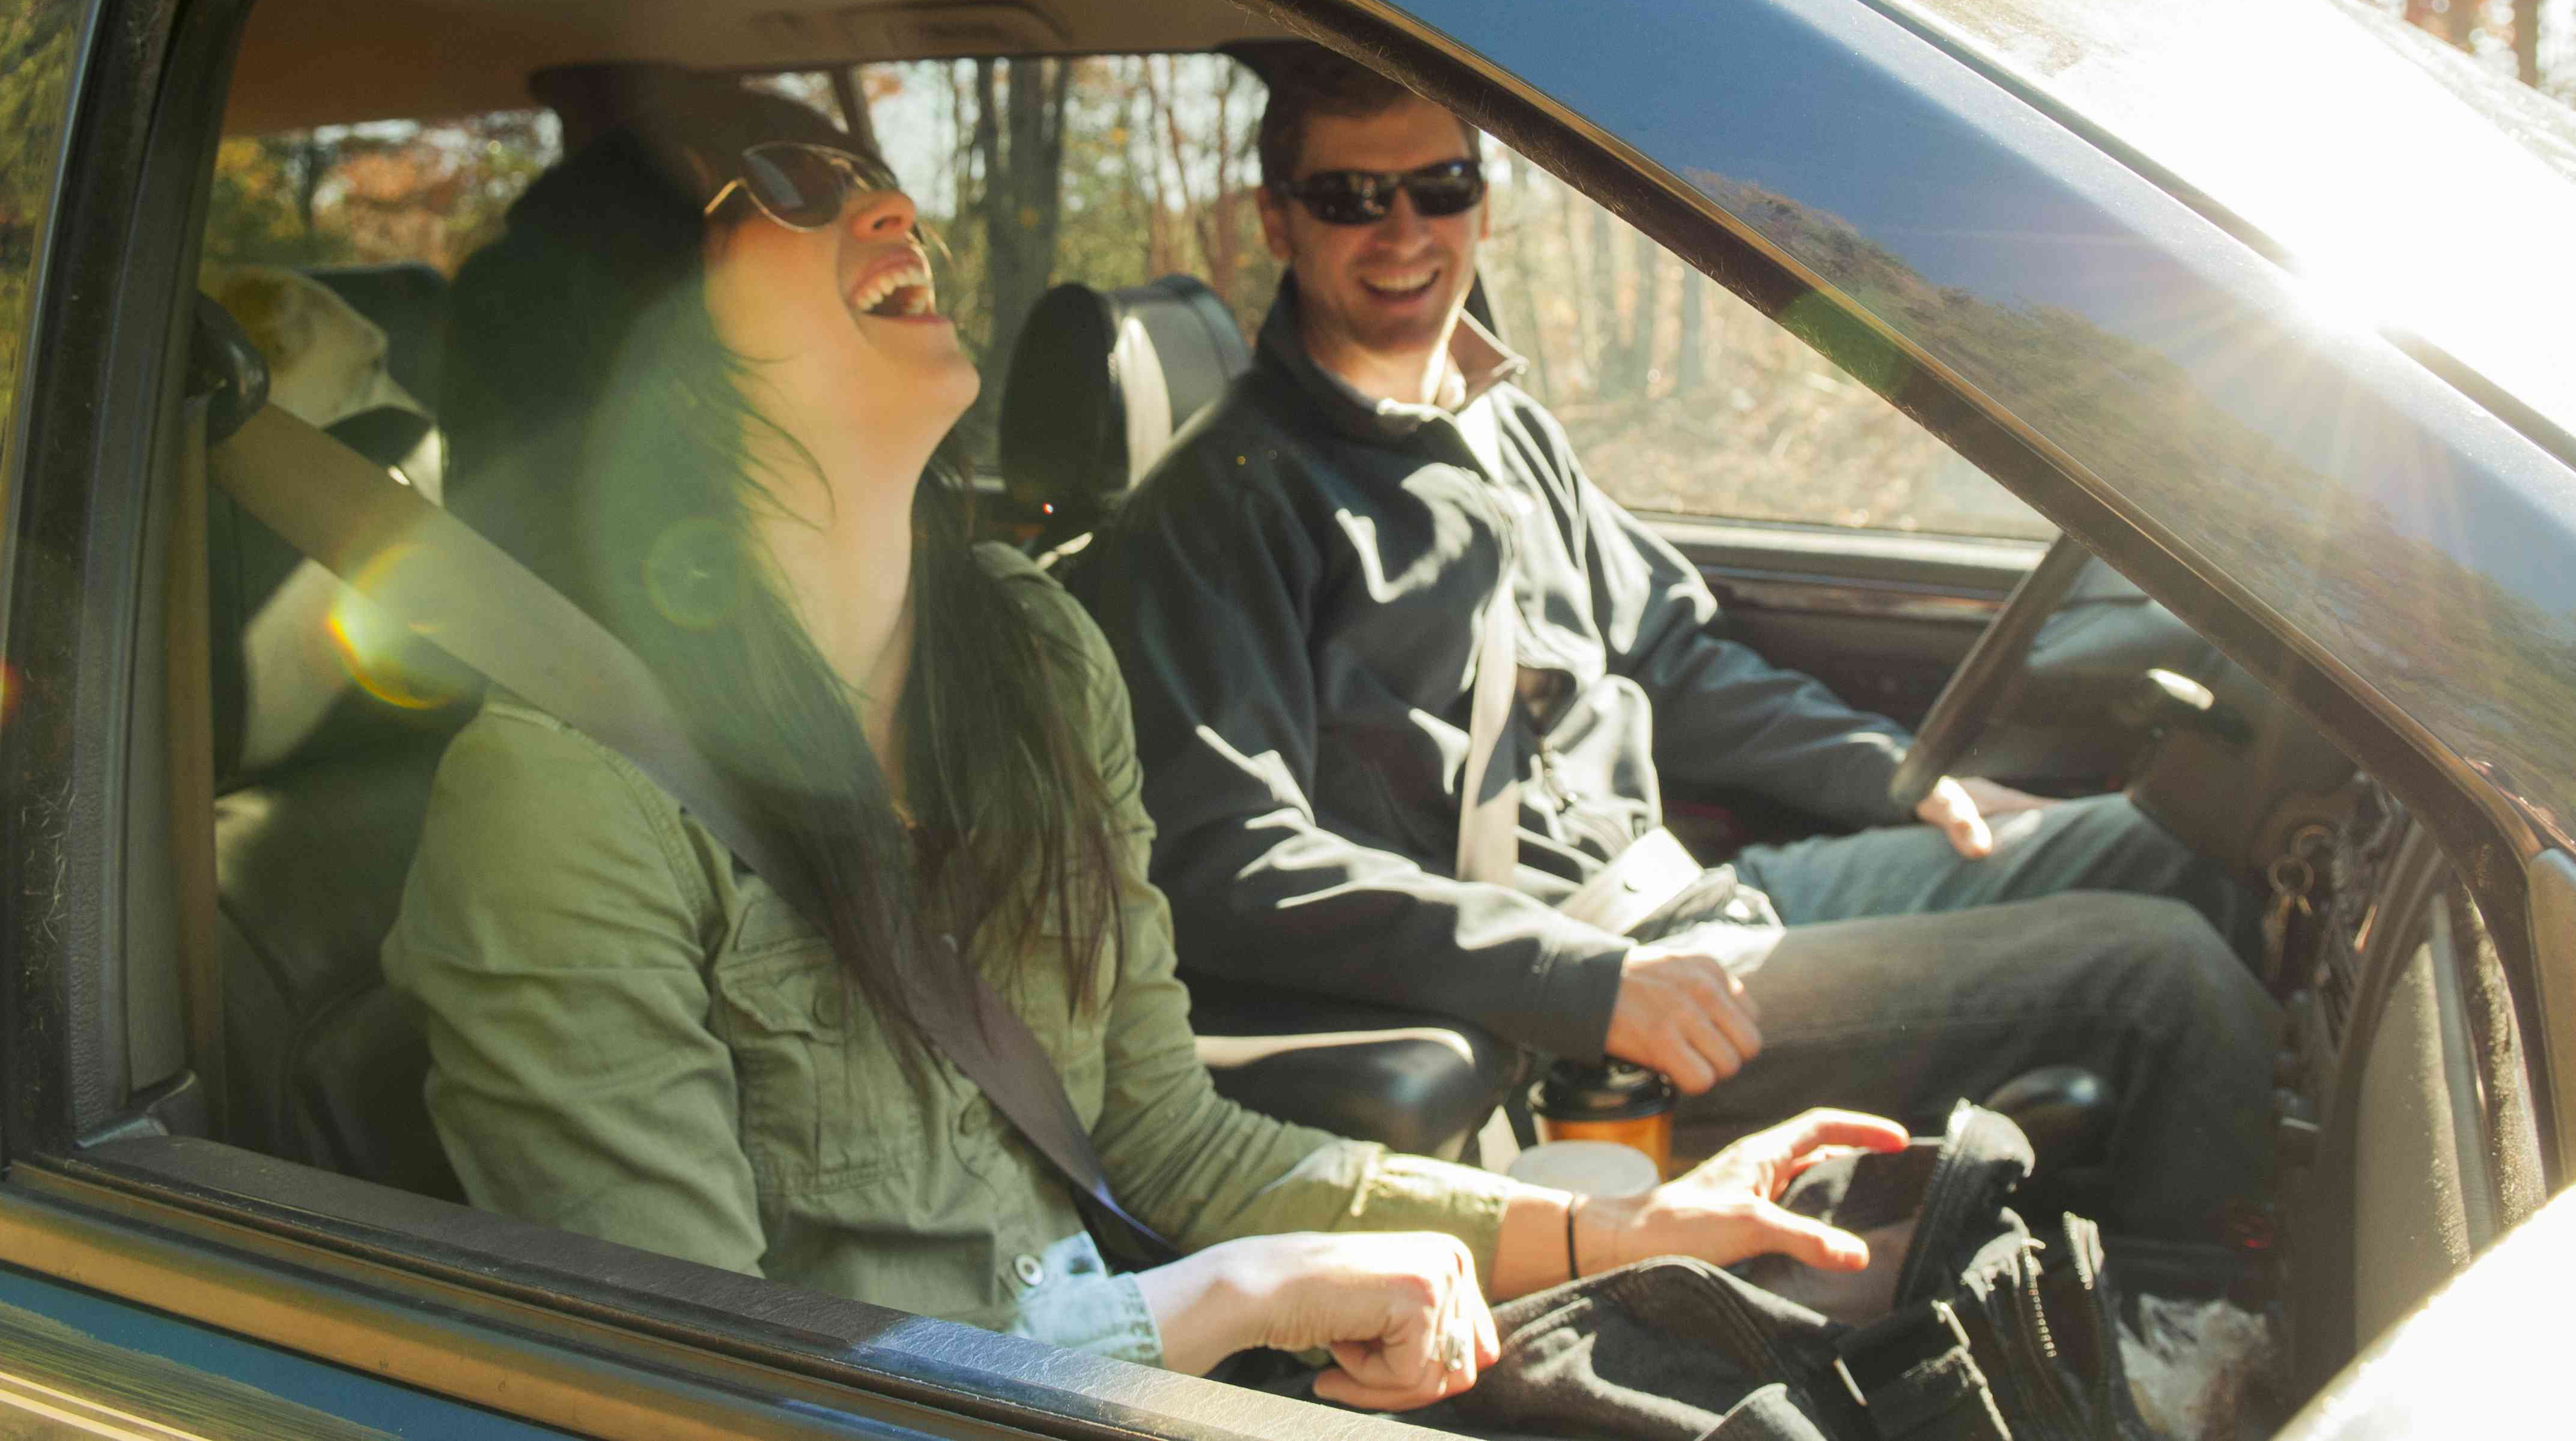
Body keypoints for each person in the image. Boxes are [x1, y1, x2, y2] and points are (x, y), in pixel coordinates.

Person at [380, 82, 1911, 1403]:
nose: (895, 206)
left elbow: (1166, 1139)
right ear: (636, 338)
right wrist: (1226, 1301)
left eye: (871, 169)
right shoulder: (562, 801)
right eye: (794, 185)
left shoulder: (1030, 656)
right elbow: (696, 1382)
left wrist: (1613, 1234)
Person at [1077, 43, 2279, 1243]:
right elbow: (1234, 864)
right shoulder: (1221, 512)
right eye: (1351, 197)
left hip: (1697, 900)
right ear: (1278, 219)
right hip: (1570, 1003)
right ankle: (2194, 1340)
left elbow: (1673, 657)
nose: (1403, 231)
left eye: (1438, 188)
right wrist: (1575, 981)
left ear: (1483, 202)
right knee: (2158, 973)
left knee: (2167, 845)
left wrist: (1901, 775)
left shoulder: (1504, 424)